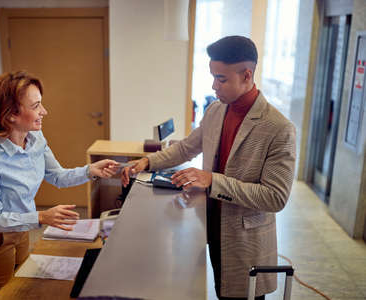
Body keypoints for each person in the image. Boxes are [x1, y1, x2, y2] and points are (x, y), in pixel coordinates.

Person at [122, 36, 296, 299]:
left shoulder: (279, 128)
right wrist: (148, 162)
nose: (214, 86)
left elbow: (275, 197)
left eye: (221, 79)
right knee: (219, 290)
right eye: (213, 77)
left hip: (244, 242)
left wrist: (212, 181)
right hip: (212, 227)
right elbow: (186, 147)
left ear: (247, 75)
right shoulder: (216, 110)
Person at [0, 71, 119, 300]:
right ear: (11, 116)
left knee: (20, 291)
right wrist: (40, 217)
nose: (44, 111)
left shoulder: (36, 139)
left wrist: (90, 171)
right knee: (1, 296)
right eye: (36, 105)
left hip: (20, 230)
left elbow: (57, 176)